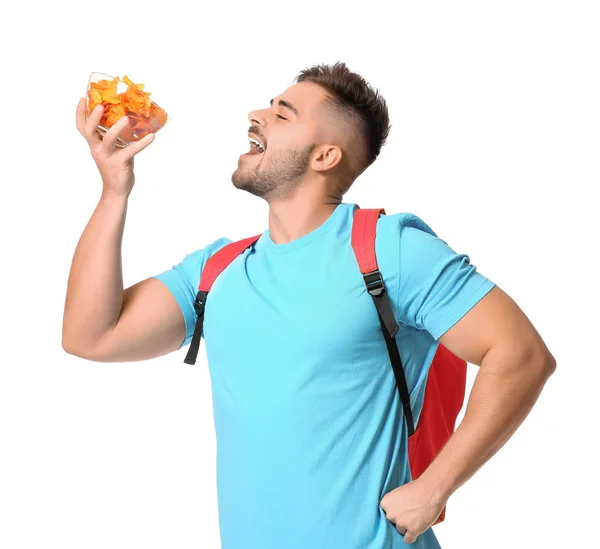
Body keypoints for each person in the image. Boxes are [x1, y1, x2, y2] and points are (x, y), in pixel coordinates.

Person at [63, 61, 556, 548]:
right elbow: (92, 336)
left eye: (282, 114)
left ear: (325, 156)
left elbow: (521, 356)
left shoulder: (390, 251)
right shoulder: (217, 270)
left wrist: (434, 488)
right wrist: (114, 190)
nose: (256, 114)